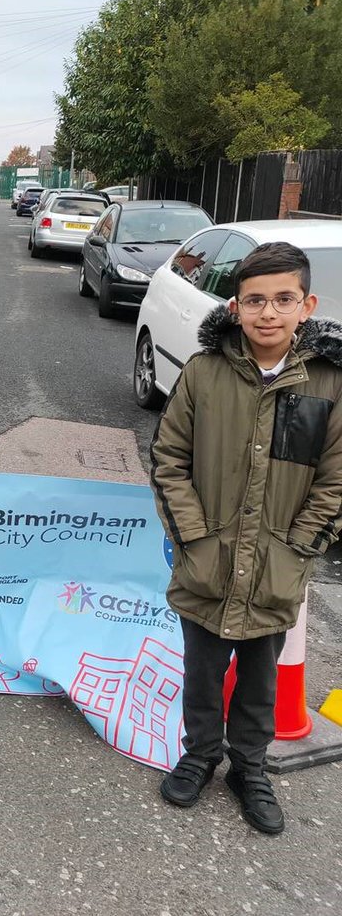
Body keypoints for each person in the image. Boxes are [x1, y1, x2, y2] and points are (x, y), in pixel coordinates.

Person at [150, 241, 342, 835]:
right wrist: (197, 540)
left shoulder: (329, 384)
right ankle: (201, 753)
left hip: (275, 569)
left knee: (260, 681)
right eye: (254, 300)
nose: (268, 313)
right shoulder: (205, 373)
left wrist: (294, 550)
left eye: (283, 299)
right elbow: (169, 459)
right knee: (202, 672)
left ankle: (249, 768)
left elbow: (334, 482)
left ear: (306, 305)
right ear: (235, 307)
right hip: (207, 563)